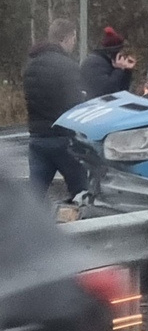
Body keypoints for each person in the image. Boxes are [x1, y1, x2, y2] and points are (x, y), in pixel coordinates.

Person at [22, 18, 87, 197]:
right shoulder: (67, 66)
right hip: (63, 139)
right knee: (81, 190)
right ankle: (81, 223)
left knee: (35, 195)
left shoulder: (31, 66)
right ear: (66, 38)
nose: (74, 43)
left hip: (37, 138)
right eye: (74, 38)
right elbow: (75, 104)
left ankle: (28, 224)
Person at [80, 26, 138, 100]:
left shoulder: (109, 64)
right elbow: (108, 91)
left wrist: (127, 71)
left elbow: (122, 91)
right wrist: (119, 70)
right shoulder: (95, 64)